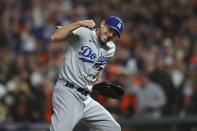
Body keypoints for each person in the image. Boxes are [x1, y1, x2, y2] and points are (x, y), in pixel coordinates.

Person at [50, 16, 124, 131]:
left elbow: (95, 69)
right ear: (103, 23)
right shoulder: (84, 32)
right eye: (110, 30)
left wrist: (99, 84)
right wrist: (79, 23)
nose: (110, 35)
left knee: (112, 128)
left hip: (85, 98)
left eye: (114, 34)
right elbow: (55, 36)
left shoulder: (110, 49)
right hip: (68, 92)